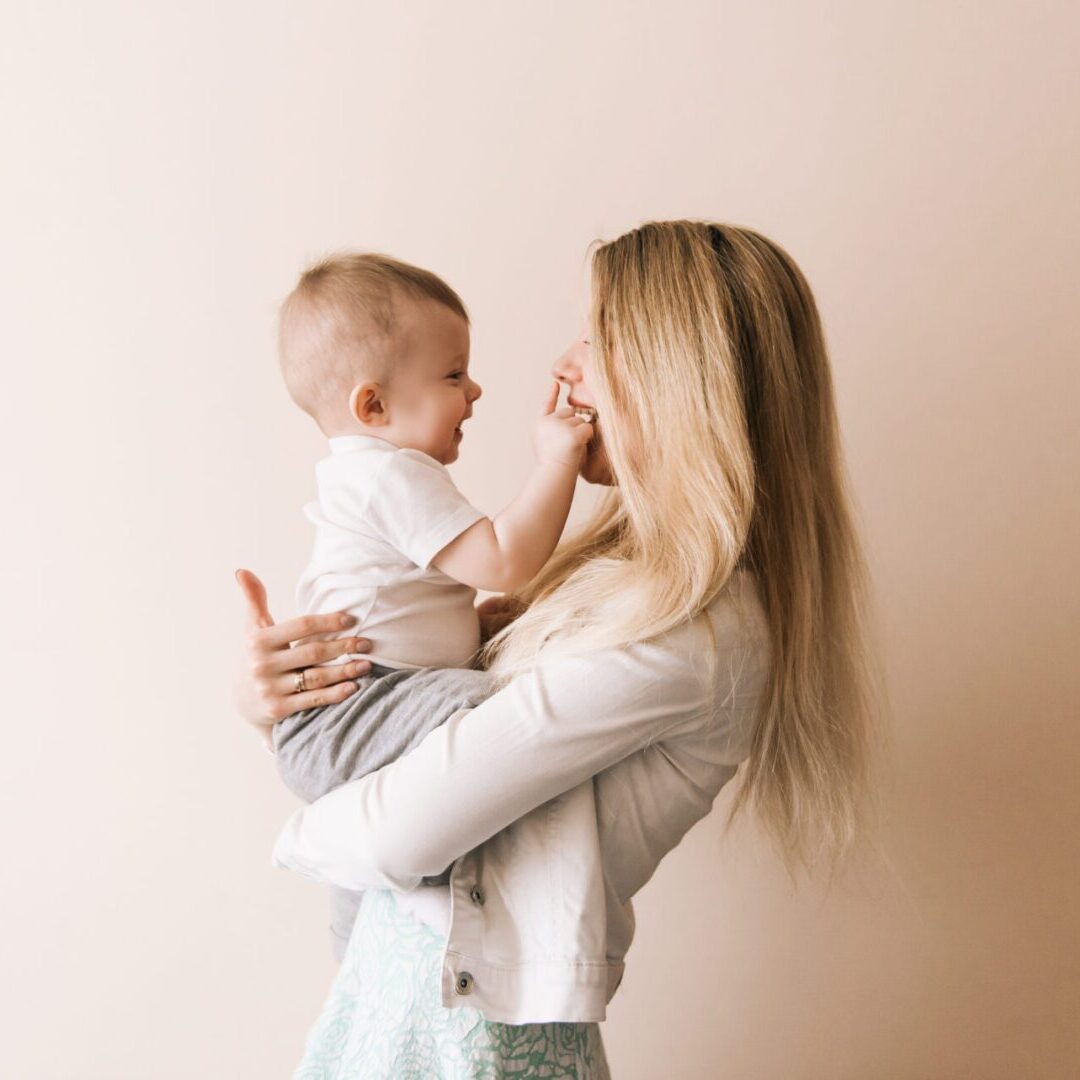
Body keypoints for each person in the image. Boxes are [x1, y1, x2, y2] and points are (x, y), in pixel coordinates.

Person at [234, 220, 881, 1078]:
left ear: (676, 375)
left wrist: (298, 824)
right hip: (405, 1014)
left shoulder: (697, 630)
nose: (564, 365)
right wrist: (289, 703)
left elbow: (395, 839)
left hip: (475, 1038)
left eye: (598, 338)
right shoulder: (617, 582)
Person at [270, 252, 594, 955]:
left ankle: (361, 968)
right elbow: (504, 560)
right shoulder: (391, 475)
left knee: (372, 890)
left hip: (359, 704)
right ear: (373, 405)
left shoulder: (375, 475)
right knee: (499, 707)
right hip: (355, 708)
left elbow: (399, 610)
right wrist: (556, 462)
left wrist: (461, 627)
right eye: (453, 374)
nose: (474, 390)